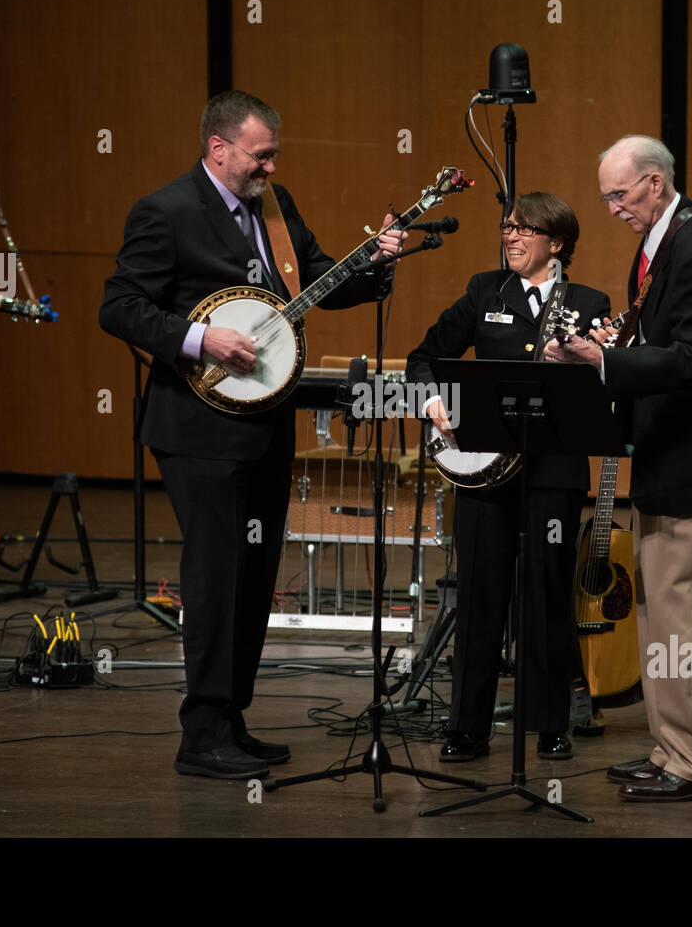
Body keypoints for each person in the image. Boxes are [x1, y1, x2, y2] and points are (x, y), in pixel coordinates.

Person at [99, 90, 405, 781]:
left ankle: (230, 719)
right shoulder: (166, 210)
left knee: (254, 576)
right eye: (260, 152)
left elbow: (319, 279)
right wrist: (201, 337)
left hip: (265, 422)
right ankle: (199, 731)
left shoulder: (275, 205)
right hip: (197, 427)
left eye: (273, 153)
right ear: (218, 148)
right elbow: (118, 307)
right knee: (215, 578)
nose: (271, 163)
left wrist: (377, 262)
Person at [547, 135, 692, 801]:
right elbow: (658, 334)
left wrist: (603, 363)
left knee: (684, 619)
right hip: (666, 456)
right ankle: (669, 747)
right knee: (657, 615)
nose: (612, 207)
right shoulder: (668, 238)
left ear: (654, 181)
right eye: (605, 197)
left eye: (619, 195)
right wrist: (607, 344)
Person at [407, 192, 610, 762]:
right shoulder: (483, 291)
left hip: (552, 475)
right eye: (507, 227)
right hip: (483, 477)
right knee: (478, 597)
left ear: (557, 242)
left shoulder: (590, 302)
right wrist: (433, 401)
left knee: (546, 597)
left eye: (526, 230)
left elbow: (604, 388)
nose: (511, 238)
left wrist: (582, 364)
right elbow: (424, 355)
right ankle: (466, 726)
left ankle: (550, 724)